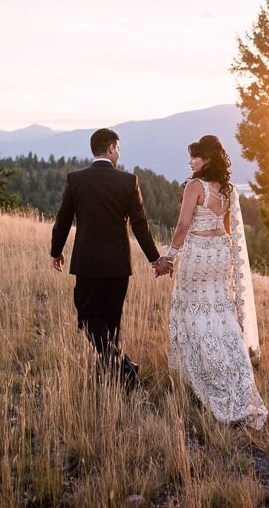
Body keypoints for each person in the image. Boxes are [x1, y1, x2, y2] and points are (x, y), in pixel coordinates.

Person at [50, 128, 171, 392]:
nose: (119, 153)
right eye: (119, 148)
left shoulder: (76, 179)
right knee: (110, 320)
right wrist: (155, 259)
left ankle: (122, 371)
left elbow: (62, 221)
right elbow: (140, 226)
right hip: (118, 265)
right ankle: (122, 371)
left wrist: (55, 251)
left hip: (88, 263)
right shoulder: (128, 181)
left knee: (87, 317)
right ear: (112, 148)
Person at [165, 135, 268, 429]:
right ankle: (234, 370)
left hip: (198, 252)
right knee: (220, 310)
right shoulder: (228, 189)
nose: (191, 162)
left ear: (207, 158)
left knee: (192, 308)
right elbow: (226, 229)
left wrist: (169, 257)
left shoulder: (194, 186)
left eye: (195, 156)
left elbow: (184, 225)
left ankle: (202, 371)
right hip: (220, 252)